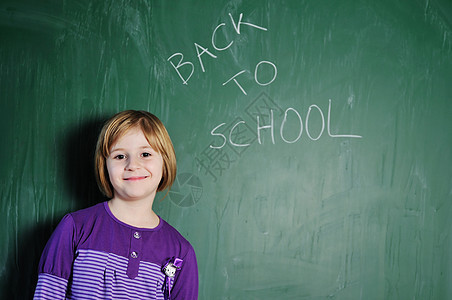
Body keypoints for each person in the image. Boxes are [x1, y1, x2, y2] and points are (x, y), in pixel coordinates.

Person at [33, 110, 198, 300]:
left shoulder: (180, 251)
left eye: (145, 154)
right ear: (105, 166)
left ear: (165, 163)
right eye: (120, 156)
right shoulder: (75, 227)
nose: (133, 165)